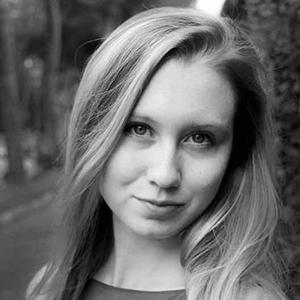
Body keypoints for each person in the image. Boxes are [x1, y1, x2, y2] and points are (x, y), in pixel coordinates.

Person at [27, 7, 288, 300]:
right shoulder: (48, 288)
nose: (164, 175)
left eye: (200, 138)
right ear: (92, 132)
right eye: (139, 129)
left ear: (235, 157)